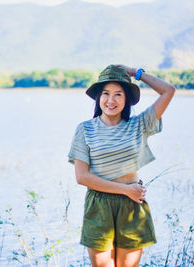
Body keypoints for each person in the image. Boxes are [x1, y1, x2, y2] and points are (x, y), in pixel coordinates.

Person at [68, 64, 175, 267]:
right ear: (99, 98)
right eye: (106, 93)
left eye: (118, 94)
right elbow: (82, 177)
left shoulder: (139, 124)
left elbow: (168, 91)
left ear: (126, 99)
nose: (111, 100)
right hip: (100, 204)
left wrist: (136, 73)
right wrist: (126, 190)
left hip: (132, 206)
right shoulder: (85, 129)